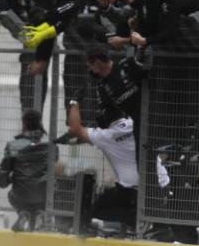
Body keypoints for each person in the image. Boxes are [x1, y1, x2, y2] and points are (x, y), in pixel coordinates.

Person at [65, 98, 169, 230]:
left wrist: (74, 103)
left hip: (133, 192)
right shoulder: (134, 123)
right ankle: (143, 219)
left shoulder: (106, 136)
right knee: (112, 195)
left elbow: (75, 128)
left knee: (97, 209)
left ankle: (137, 218)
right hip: (162, 185)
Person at [0, 109, 53, 231]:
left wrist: (8, 180)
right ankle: (40, 213)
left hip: (20, 194)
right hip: (43, 193)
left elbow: (3, 174)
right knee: (49, 184)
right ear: (39, 122)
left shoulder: (13, 146)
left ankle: (23, 213)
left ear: (24, 124)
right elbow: (53, 164)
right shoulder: (50, 145)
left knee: (12, 194)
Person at [85, 44, 146, 148]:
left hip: (152, 117)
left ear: (97, 62)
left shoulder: (126, 66)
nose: (88, 69)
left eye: (89, 65)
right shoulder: (102, 87)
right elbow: (105, 115)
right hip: (135, 127)